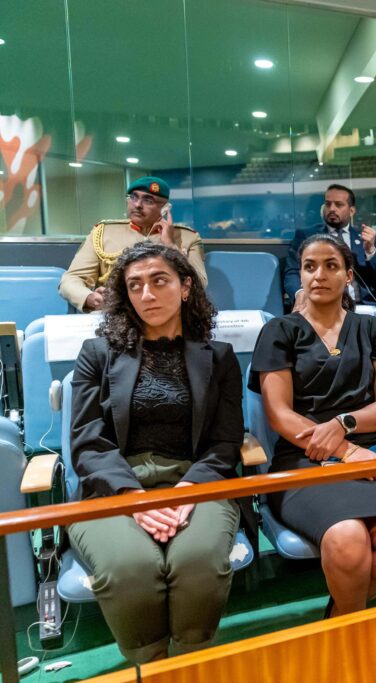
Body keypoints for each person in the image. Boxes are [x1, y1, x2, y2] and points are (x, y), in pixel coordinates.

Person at [67, 242, 240, 663]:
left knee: (197, 561)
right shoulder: (96, 354)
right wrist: (134, 498)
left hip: (196, 482)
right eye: (135, 285)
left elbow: (225, 441)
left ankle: (189, 661)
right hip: (114, 485)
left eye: (159, 281)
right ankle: (151, 664)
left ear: (185, 287)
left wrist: (189, 489)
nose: (147, 294)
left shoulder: (219, 357)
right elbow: (87, 441)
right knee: (131, 568)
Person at [250, 234, 376, 616]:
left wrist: (344, 424)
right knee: (348, 538)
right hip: (305, 457)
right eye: (310, 266)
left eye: (331, 266)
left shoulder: (372, 328)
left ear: (348, 275)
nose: (319, 275)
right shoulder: (280, 331)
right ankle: (351, 631)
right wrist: (345, 451)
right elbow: (279, 415)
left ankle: (339, 619)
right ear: (300, 275)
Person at [59, 176, 206, 313]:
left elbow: (199, 284)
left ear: (165, 208)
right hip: (115, 313)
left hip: (165, 313)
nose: (137, 205)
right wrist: (90, 297)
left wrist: (171, 247)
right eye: (133, 197)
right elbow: (71, 279)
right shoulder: (103, 233)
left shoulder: (187, 238)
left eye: (148, 200)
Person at [284, 184, 376, 312]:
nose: (332, 209)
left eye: (338, 205)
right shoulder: (306, 235)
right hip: (321, 305)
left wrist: (370, 251)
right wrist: (299, 293)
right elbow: (292, 272)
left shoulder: (365, 237)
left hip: (362, 306)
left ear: (351, 211)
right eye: (328, 204)